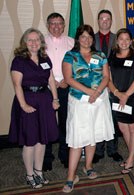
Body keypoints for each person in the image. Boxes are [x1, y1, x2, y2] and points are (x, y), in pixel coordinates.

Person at [62, 24, 115, 193]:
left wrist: (97, 92)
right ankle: (71, 177)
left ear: (93, 39)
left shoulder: (100, 55)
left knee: (93, 135)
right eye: (83, 36)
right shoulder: (70, 55)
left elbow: (106, 77)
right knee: (77, 139)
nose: (87, 40)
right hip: (79, 101)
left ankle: (88, 166)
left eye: (90, 37)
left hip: (99, 100)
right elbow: (68, 79)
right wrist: (88, 92)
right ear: (78, 38)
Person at [9, 28, 59, 189]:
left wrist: (56, 99)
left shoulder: (45, 58)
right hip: (27, 100)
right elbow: (17, 85)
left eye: (37, 39)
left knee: (42, 140)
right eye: (30, 40)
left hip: (44, 101)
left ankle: (39, 173)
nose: (33, 43)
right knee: (30, 141)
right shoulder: (19, 60)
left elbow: (51, 80)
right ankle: (29, 175)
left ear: (41, 42)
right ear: (25, 42)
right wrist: (23, 105)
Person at [108, 28, 134, 174]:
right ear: (117, 41)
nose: (123, 42)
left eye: (126, 39)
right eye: (121, 39)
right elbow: (108, 79)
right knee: (123, 128)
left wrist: (126, 95)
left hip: (133, 97)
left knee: (133, 128)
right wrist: (117, 93)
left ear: (131, 41)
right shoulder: (112, 57)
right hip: (117, 97)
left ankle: (130, 160)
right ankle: (133, 154)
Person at [43, 12, 74, 171]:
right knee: (47, 123)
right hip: (46, 88)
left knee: (65, 122)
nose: (56, 26)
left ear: (63, 25)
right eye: (53, 23)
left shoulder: (71, 42)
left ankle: (64, 154)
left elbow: (76, 65)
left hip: (65, 87)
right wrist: (50, 82)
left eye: (60, 23)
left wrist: (66, 81)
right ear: (48, 25)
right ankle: (46, 156)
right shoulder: (40, 42)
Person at [93, 9, 123, 163]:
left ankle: (113, 150)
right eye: (102, 18)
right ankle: (98, 151)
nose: (105, 21)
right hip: (95, 85)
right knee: (98, 119)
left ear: (111, 21)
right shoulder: (91, 39)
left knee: (113, 118)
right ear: (98, 21)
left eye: (108, 19)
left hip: (113, 85)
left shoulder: (117, 39)